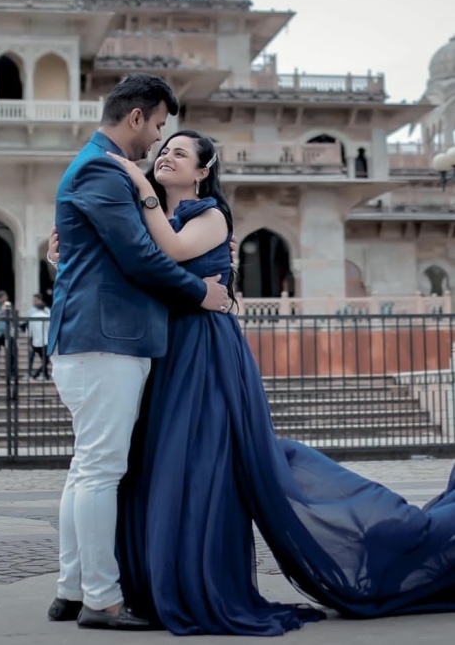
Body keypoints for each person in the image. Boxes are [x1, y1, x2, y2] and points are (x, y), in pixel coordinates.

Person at [96, 129, 455, 636]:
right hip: (167, 348)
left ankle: (407, 542)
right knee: (163, 462)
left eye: (180, 153)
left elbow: (172, 252)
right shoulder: (155, 214)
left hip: (203, 349)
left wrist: (138, 184)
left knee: (204, 463)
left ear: (202, 171)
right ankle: (158, 583)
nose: (164, 157)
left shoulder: (208, 215)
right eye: (163, 151)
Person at [44, 74, 234, 632]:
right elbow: (143, 258)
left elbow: (115, 250)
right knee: (101, 470)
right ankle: (101, 599)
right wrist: (202, 291)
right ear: (136, 118)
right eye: (157, 126)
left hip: (98, 340)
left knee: (87, 468)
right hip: (107, 341)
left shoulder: (98, 166)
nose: (156, 141)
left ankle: (71, 588)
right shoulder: (105, 168)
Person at [26, 292, 50, 380]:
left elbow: (29, 330)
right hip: (45, 341)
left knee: (39, 359)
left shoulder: (33, 316)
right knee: (45, 360)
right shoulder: (47, 315)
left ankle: (41, 374)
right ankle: (39, 374)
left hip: (35, 341)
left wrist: (29, 342)